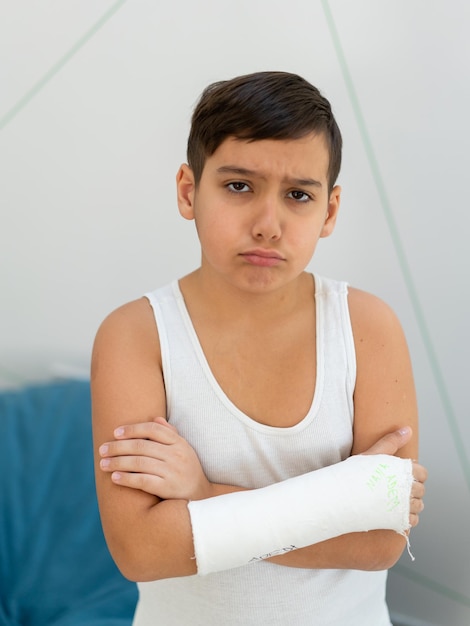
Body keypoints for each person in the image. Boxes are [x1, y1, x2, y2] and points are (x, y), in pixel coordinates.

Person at [91, 71, 427, 626]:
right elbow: (142, 551)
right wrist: (340, 502)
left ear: (330, 212)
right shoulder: (135, 334)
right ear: (187, 191)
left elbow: (381, 543)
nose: (268, 225)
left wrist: (199, 495)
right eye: (239, 186)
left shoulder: (367, 326)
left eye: (298, 195)